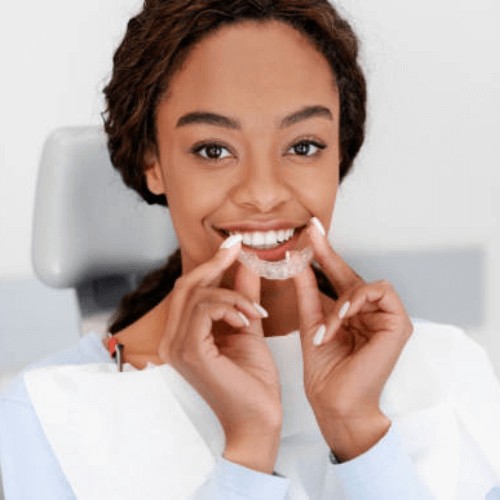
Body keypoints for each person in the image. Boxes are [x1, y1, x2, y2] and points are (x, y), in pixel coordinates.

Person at [1, 1, 500, 498]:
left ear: (339, 151)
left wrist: (358, 431)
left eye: (303, 146)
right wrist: (248, 449)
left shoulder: (449, 374)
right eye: (213, 150)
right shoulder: (51, 413)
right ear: (153, 160)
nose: (263, 193)